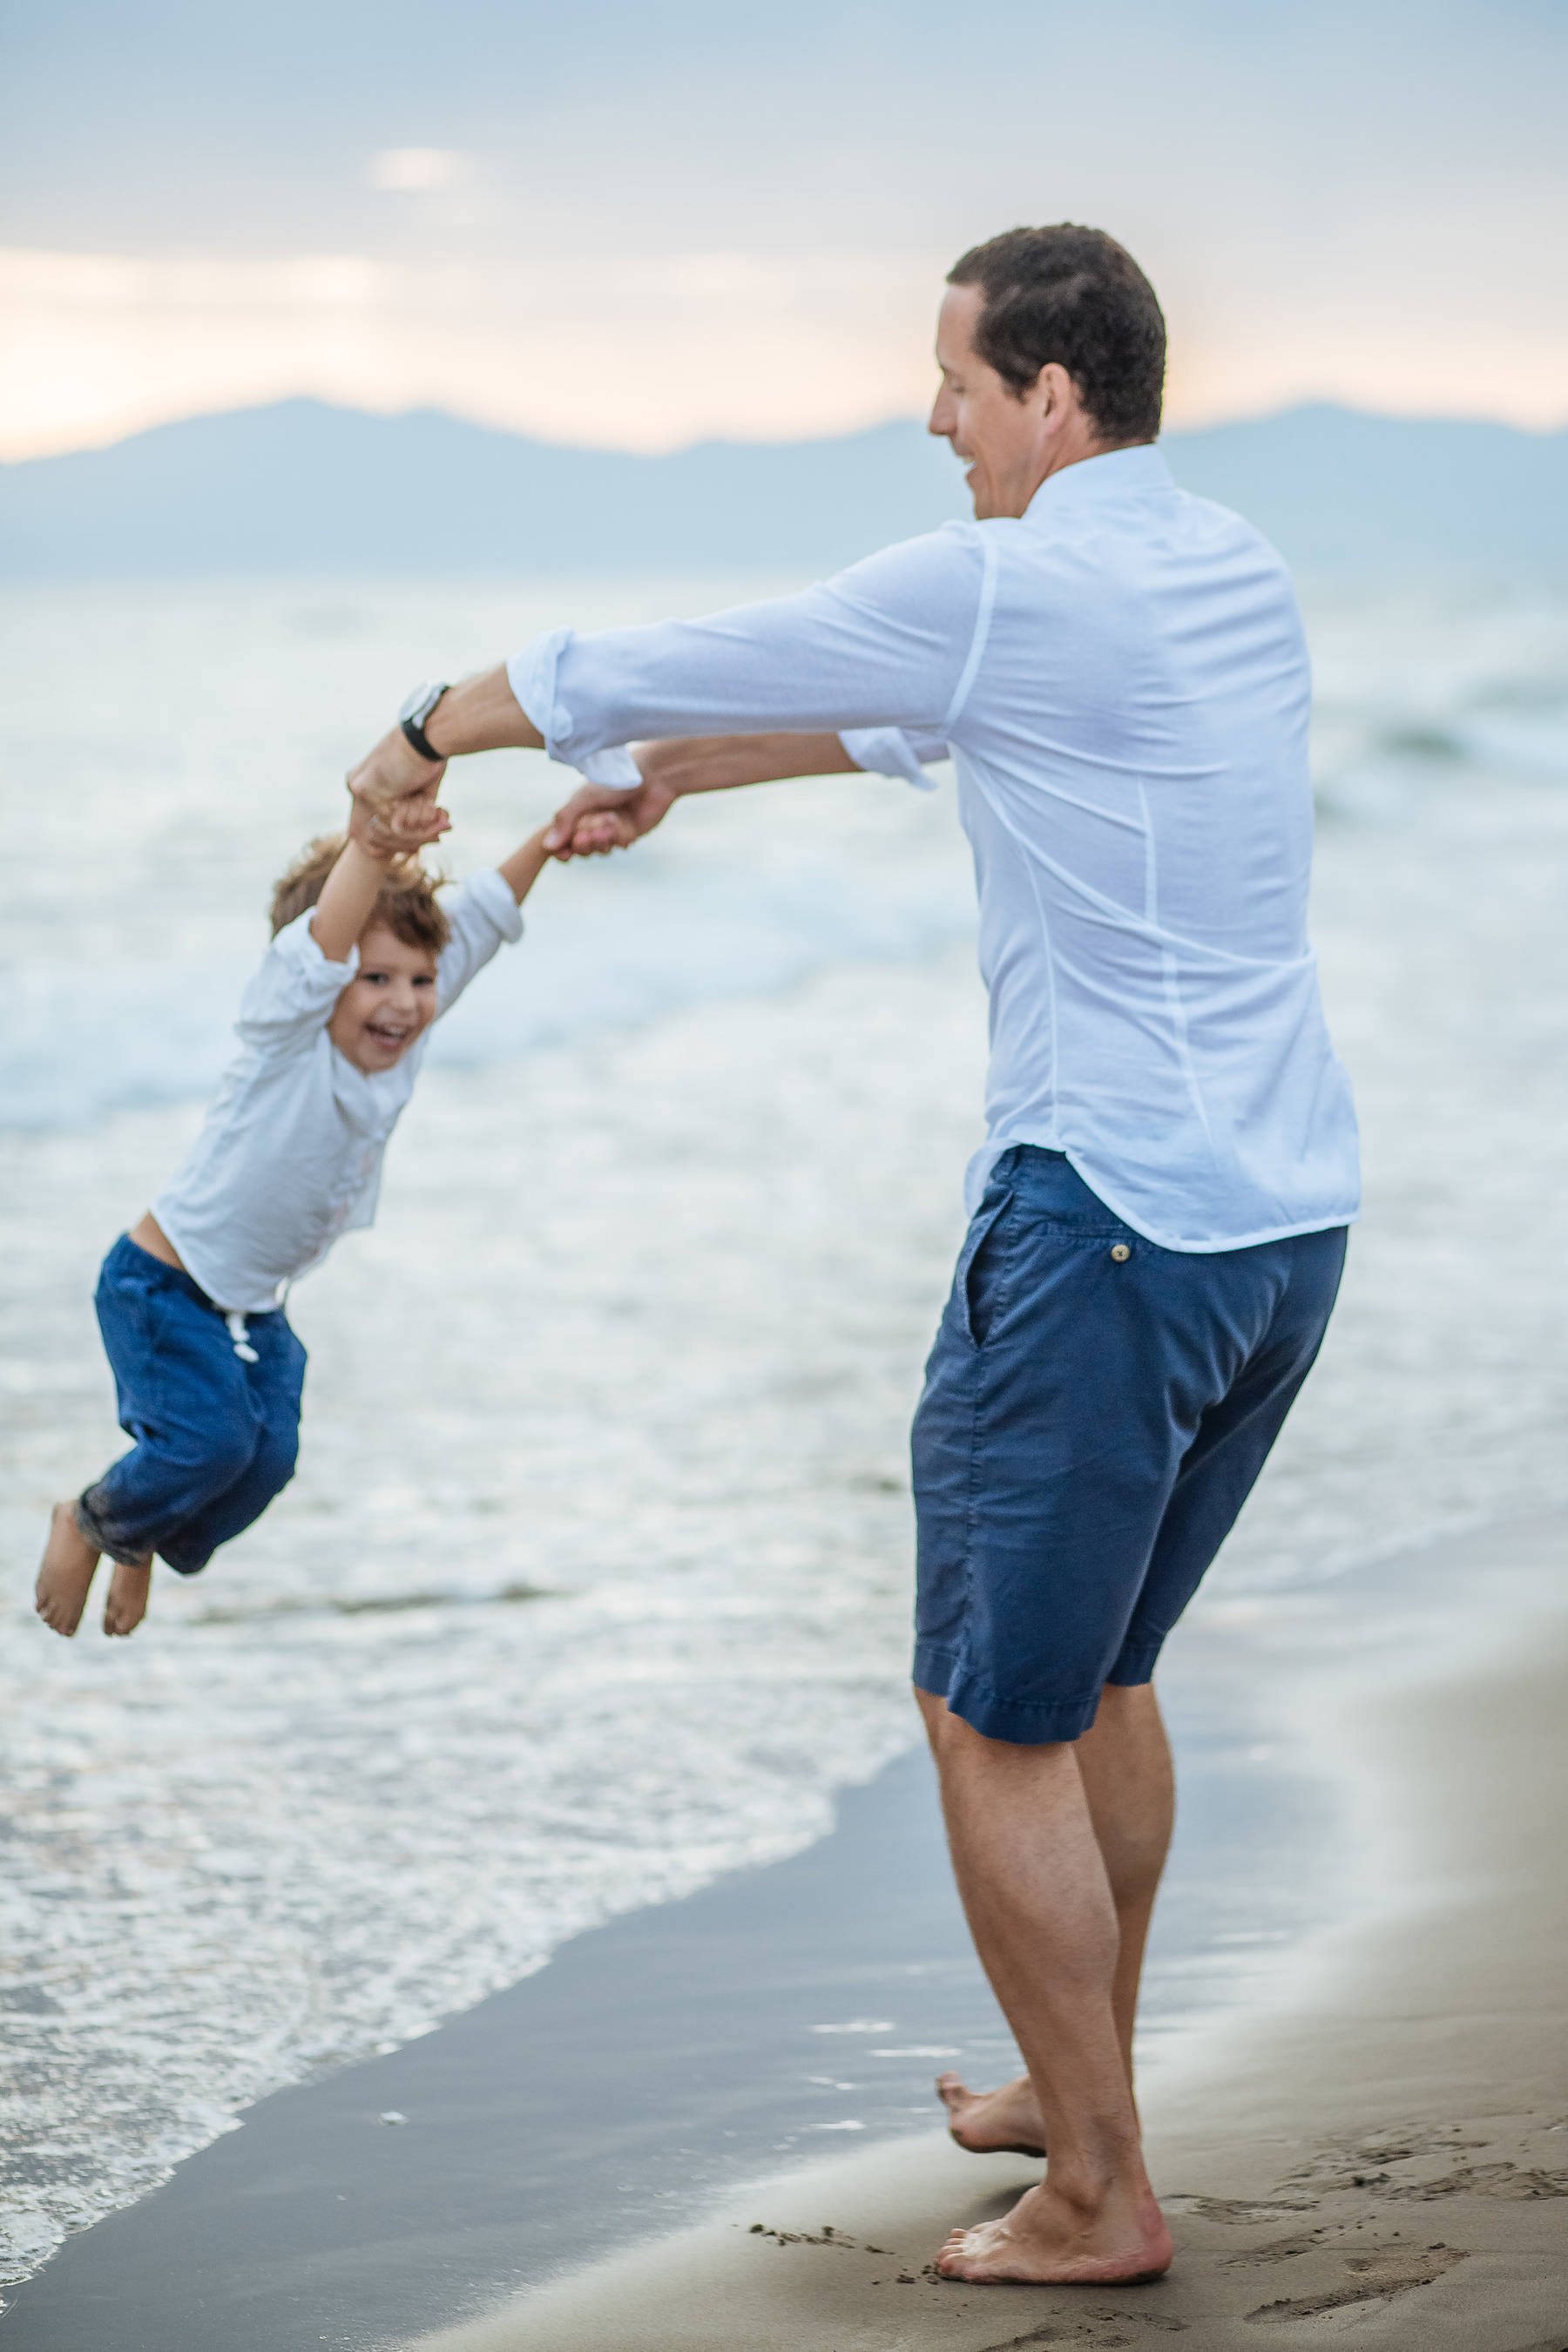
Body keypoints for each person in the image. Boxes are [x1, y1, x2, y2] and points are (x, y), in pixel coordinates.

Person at [345, 222, 1360, 2288]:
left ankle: (1096, 2183)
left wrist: (426, 735)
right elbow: (917, 714)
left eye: (958, 383)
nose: (934, 418)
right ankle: (1076, 2080)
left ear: (1049, 399)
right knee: (1106, 1674)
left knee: (991, 1709)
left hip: (1107, 1227)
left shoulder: (1011, 579)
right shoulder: (1226, 568)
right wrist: (689, 780)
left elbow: (666, 649)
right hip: (1282, 1221)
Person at [33, 796, 572, 1641]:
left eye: (422, 981)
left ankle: (141, 1539)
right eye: (376, 979)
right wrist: (371, 844)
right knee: (208, 1445)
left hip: (253, 1307)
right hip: (161, 1287)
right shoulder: (286, 1036)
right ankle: (94, 1521)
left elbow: (487, 916)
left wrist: (555, 834)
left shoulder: (404, 1028)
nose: (403, 1004)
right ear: (323, 981)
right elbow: (321, 949)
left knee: (267, 1460)